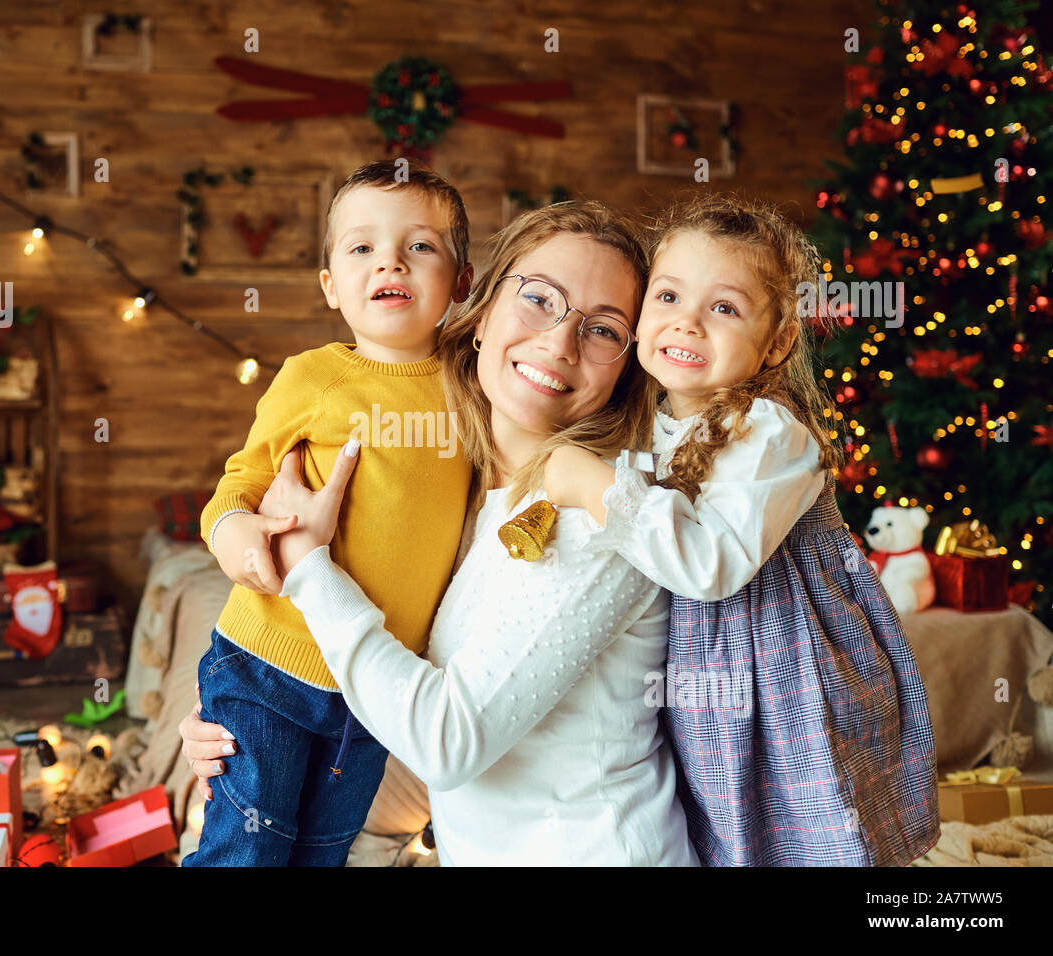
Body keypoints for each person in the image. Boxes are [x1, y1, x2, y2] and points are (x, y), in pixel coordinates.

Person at [184, 200, 700, 866]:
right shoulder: (463, 486)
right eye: (540, 298)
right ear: (482, 312)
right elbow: (411, 695)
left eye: (603, 330)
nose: (560, 342)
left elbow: (447, 740)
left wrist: (311, 570)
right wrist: (247, 716)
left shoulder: (594, 515)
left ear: (627, 365)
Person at [541, 193, 940, 865]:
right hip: (708, 682)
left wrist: (592, 485)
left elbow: (708, 564)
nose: (687, 323)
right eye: (667, 297)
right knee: (734, 831)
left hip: (793, 672)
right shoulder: (648, 428)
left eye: (723, 308)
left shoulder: (770, 430)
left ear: (779, 339)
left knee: (817, 829)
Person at [182, 161, 474, 866]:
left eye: (421, 246)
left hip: (371, 690)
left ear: (461, 282)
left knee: (322, 852)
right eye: (362, 247)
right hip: (266, 661)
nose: (390, 262)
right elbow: (240, 482)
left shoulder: (473, 387)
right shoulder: (314, 377)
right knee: (244, 850)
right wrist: (237, 535)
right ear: (331, 287)